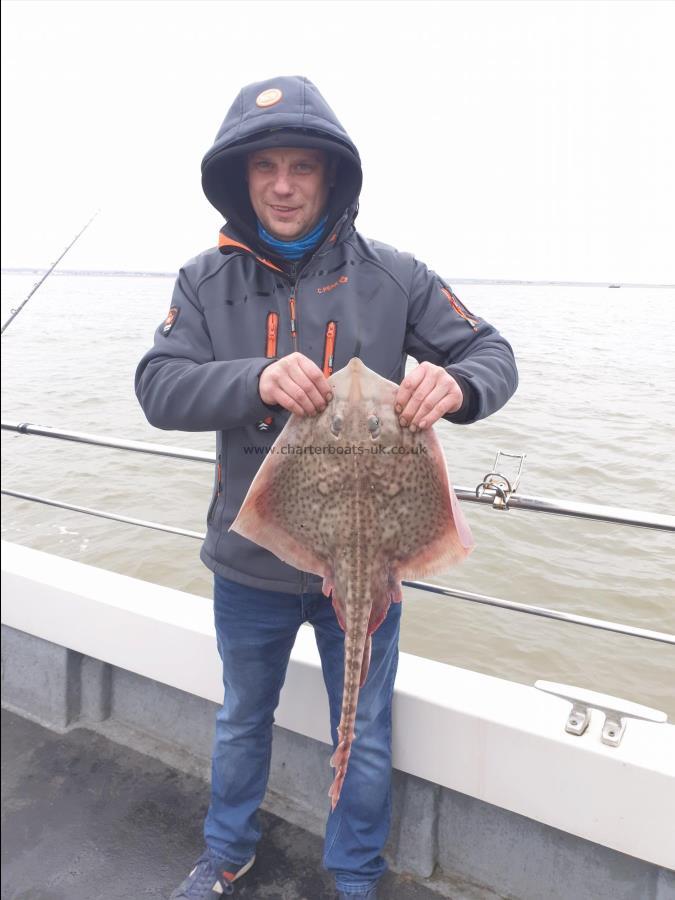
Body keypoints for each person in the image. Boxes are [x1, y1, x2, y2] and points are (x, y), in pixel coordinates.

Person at [135, 75, 518, 900]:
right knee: (242, 716)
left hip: (370, 561)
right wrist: (255, 379)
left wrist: (456, 388)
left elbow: (491, 354)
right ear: (241, 178)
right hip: (251, 563)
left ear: (329, 176)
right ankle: (223, 853)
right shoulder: (205, 281)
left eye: (300, 167)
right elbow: (158, 387)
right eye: (265, 167)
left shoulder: (395, 275)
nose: (281, 185)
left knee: (366, 727)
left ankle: (352, 875)